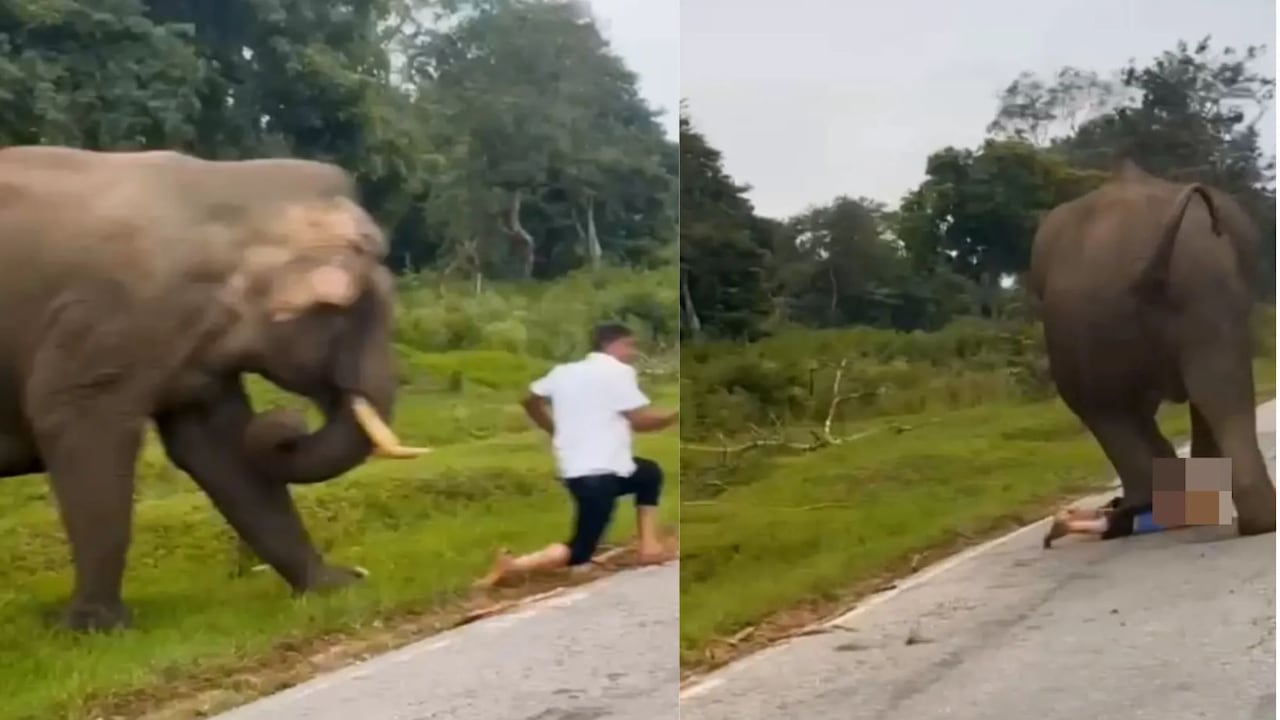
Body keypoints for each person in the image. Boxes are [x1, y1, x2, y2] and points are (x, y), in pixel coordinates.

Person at [476, 322, 678, 587]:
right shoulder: (618, 372)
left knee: (648, 474)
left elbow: (529, 399)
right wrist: (674, 416)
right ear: (611, 344)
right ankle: (515, 567)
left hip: (579, 472)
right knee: (580, 550)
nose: (632, 353)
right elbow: (640, 421)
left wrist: (553, 429)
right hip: (601, 475)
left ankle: (649, 547)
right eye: (629, 345)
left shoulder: (564, 372)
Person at [1042, 497, 1164, 548]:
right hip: (1135, 519)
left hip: (1135, 510)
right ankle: (1069, 525)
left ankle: (1073, 515)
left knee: (1108, 517)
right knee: (1106, 524)